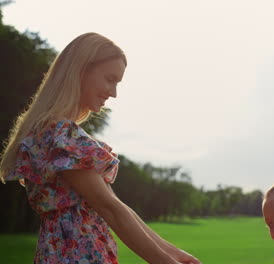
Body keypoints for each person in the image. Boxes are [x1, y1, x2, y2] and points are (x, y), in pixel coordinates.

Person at [0, 32, 201, 264]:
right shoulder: (61, 135)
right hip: (76, 257)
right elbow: (110, 209)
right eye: (109, 78)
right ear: (81, 70)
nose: (113, 93)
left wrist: (176, 254)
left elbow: (117, 206)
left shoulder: (53, 132)